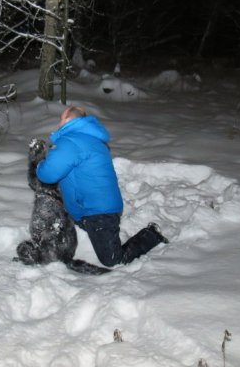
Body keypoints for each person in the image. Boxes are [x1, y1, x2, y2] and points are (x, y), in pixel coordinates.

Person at [35, 106, 168, 267]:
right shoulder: (90, 140)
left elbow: (48, 174)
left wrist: (39, 162)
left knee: (112, 259)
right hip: (95, 208)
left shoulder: (71, 142)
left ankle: (151, 235)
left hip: (97, 211)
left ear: (70, 120)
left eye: (61, 118)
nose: (58, 123)